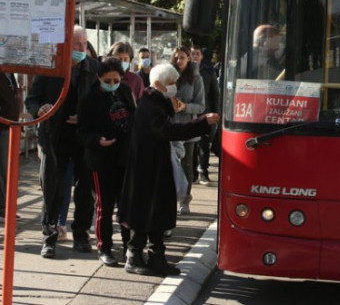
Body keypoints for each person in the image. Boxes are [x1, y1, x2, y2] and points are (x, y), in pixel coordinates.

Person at [119, 63, 219, 276]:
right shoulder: (150, 107)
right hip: (147, 170)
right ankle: (135, 256)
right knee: (146, 213)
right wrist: (201, 123)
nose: (174, 87)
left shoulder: (156, 102)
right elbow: (168, 131)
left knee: (156, 213)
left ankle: (156, 257)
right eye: (171, 84)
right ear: (158, 85)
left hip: (155, 166)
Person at [25, 25, 98, 258]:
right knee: (52, 188)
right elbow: (32, 101)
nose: (81, 48)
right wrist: (40, 111)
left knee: (85, 189)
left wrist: (86, 118)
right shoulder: (50, 68)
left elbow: (103, 102)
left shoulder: (93, 68)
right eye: (77, 44)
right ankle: (49, 237)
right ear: (65, 45)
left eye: (84, 44)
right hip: (54, 138)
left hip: (83, 138)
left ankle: (81, 235)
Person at [77, 57, 135, 267]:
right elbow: (81, 132)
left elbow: (133, 119)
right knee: (105, 206)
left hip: (124, 157)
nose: (112, 84)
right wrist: (97, 140)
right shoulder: (89, 99)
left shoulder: (125, 92)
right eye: (107, 80)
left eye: (115, 79)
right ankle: (105, 247)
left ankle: (131, 247)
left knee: (126, 205)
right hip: (101, 160)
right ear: (98, 77)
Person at [170, 46, 205, 213]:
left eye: (182, 57)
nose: (179, 61)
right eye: (176, 58)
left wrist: (184, 106)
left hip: (188, 128)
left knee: (186, 165)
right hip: (170, 126)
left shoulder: (196, 78)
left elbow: (200, 106)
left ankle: (185, 200)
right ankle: (170, 198)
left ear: (189, 59)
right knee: (169, 165)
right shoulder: (169, 76)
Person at [191, 46, 221, 185]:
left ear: (202, 56)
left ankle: (203, 172)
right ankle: (192, 173)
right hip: (189, 113)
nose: (194, 56)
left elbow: (215, 93)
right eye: (192, 54)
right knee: (190, 144)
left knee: (203, 144)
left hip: (205, 113)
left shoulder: (209, 72)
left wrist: (216, 113)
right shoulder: (184, 71)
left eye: (197, 54)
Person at [0, 73, 19, 220]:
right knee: (3, 169)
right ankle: (3, 207)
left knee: (8, 169)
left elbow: (14, 99)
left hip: (11, 125)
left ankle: (7, 206)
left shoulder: (10, 73)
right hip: (3, 125)